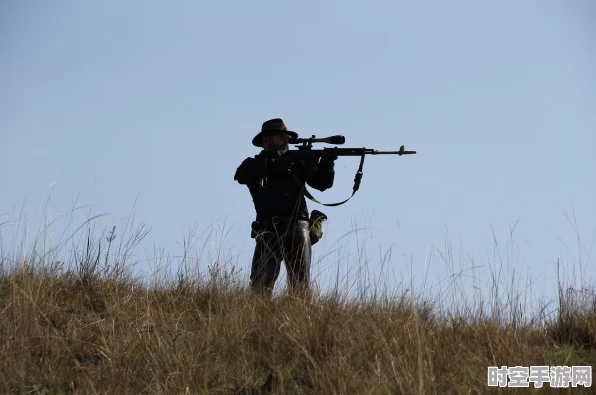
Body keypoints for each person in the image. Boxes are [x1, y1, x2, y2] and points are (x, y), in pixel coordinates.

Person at [234, 118, 337, 297]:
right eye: (281, 137)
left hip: (298, 227)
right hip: (268, 228)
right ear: (266, 140)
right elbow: (241, 175)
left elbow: (322, 183)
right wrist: (277, 164)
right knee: (260, 286)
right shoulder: (255, 164)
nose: (286, 142)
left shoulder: (296, 164)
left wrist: (327, 163)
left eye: (286, 138)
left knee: (300, 286)